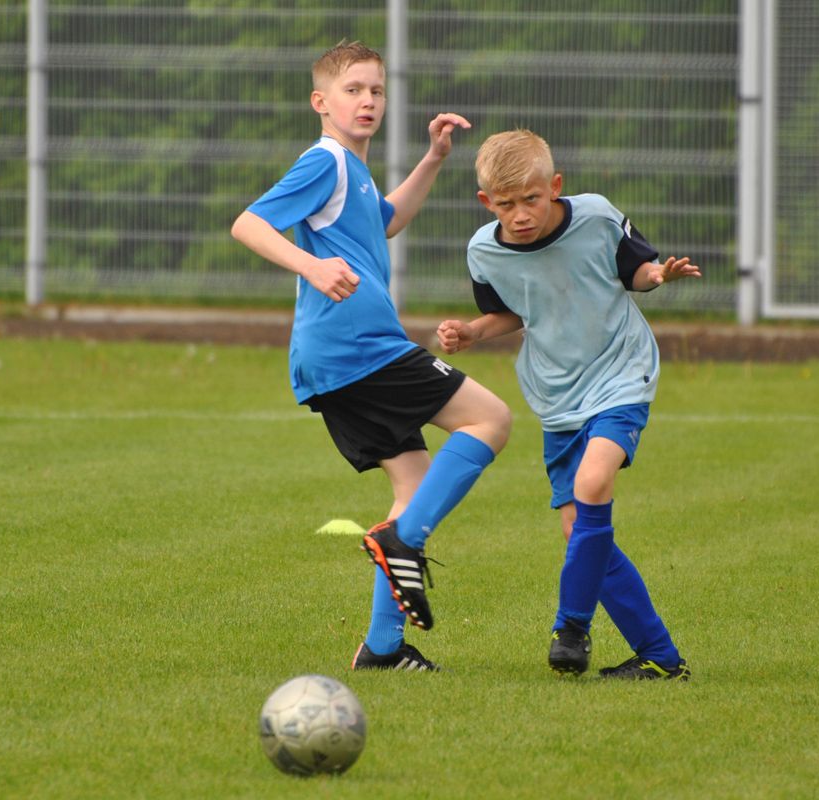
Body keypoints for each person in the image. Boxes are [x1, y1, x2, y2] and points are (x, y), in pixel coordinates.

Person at [231, 41, 511, 673]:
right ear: (320, 101)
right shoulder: (324, 161)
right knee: (491, 419)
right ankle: (399, 542)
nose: (367, 101)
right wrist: (312, 266)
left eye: (376, 91)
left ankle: (383, 649)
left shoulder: (351, 170)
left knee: (414, 484)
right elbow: (248, 223)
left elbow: (385, 220)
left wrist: (434, 158)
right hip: (358, 347)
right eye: (353, 89)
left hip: (340, 357)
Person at [436, 129, 700, 680]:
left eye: (531, 199)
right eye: (506, 204)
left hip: (621, 374)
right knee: (579, 532)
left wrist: (657, 275)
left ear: (555, 186)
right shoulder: (484, 251)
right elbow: (511, 311)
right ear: (486, 202)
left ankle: (571, 627)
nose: (520, 215)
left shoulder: (597, 217)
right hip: (556, 395)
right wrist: (472, 332)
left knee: (593, 482)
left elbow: (635, 270)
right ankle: (661, 657)